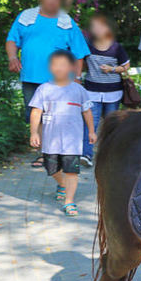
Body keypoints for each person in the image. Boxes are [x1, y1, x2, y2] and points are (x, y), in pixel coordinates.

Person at [6, 0, 89, 167]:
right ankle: (45, 154)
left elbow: (79, 53)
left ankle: (63, 152)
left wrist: (76, 78)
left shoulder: (67, 22)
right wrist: (12, 58)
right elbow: (12, 40)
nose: (52, 1)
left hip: (60, 81)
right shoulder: (26, 17)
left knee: (59, 116)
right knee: (36, 115)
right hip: (31, 78)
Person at [28, 50, 96, 217]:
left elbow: (87, 112)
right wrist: (34, 133)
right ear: (50, 68)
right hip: (50, 140)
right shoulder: (44, 89)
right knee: (50, 167)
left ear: (71, 67)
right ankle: (62, 184)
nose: (59, 68)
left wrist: (92, 132)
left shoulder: (78, 89)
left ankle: (69, 201)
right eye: (55, 64)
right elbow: (36, 112)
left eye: (63, 64)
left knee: (72, 170)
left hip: (72, 141)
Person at [81, 13, 130, 166]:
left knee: (112, 125)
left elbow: (126, 66)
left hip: (113, 93)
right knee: (90, 124)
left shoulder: (116, 47)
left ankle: (109, 156)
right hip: (92, 92)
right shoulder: (87, 46)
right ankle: (86, 155)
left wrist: (112, 69)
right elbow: (80, 62)